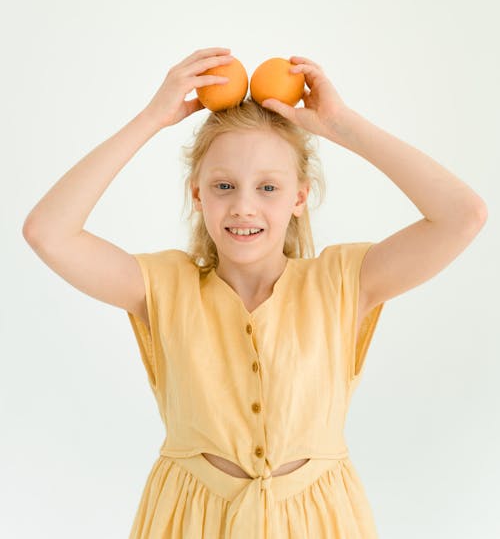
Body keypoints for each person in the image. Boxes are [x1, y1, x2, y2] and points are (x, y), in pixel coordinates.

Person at [22, 47, 488, 538]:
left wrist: (343, 125)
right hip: (190, 521)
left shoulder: (343, 283)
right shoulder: (163, 287)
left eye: (268, 188)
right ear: (197, 194)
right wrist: (151, 119)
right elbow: (47, 232)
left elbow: (464, 215)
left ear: (300, 198)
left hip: (320, 521)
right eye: (224, 186)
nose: (244, 206)